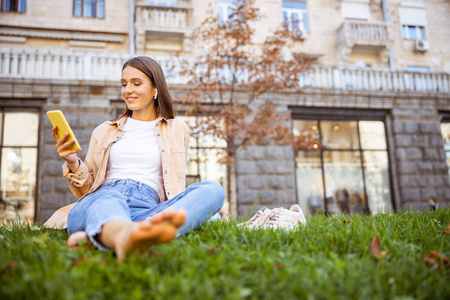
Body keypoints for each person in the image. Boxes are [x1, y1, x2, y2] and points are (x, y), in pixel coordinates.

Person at [45, 56, 225, 261]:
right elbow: (86, 190)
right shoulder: (104, 130)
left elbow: (175, 186)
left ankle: (107, 236)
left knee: (213, 190)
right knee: (110, 199)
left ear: (155, 88)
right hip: (103, 200)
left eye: (136, 83)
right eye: (124, 84)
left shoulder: (177, 129)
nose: (127, 90)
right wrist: (72, 161)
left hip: (148, 208)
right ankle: (131, 236)